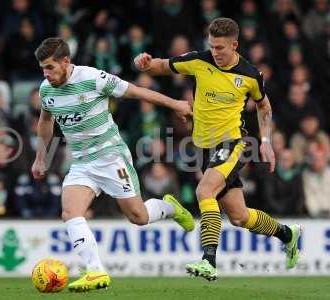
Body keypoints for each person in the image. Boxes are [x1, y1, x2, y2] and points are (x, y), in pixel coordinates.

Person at [134, 17, 301, 281]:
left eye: (220, 48)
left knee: (204, 190)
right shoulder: (199, 61)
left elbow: (264, 106)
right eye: (212, 46)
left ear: (234, 45)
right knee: (240, 217)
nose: (215, 52)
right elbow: (163, 66)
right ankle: (288, 234)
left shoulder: (250, 75)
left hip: (233, 143)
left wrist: (266, 143)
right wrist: (144, 62)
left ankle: (208, 261)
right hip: (202, 147)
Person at [31, 38, 195, 292]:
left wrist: (175, 104)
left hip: (111, 158)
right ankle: (95, 271)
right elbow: (45, 121)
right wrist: (41, 156)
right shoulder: (46, 90)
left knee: (138, 217)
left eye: (50, 67)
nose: (46, 73)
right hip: (82, 162)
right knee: (70, 212)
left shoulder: (94, 78)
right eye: (43, 68)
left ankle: (170, 208)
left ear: (66, 61)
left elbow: (138, 91)